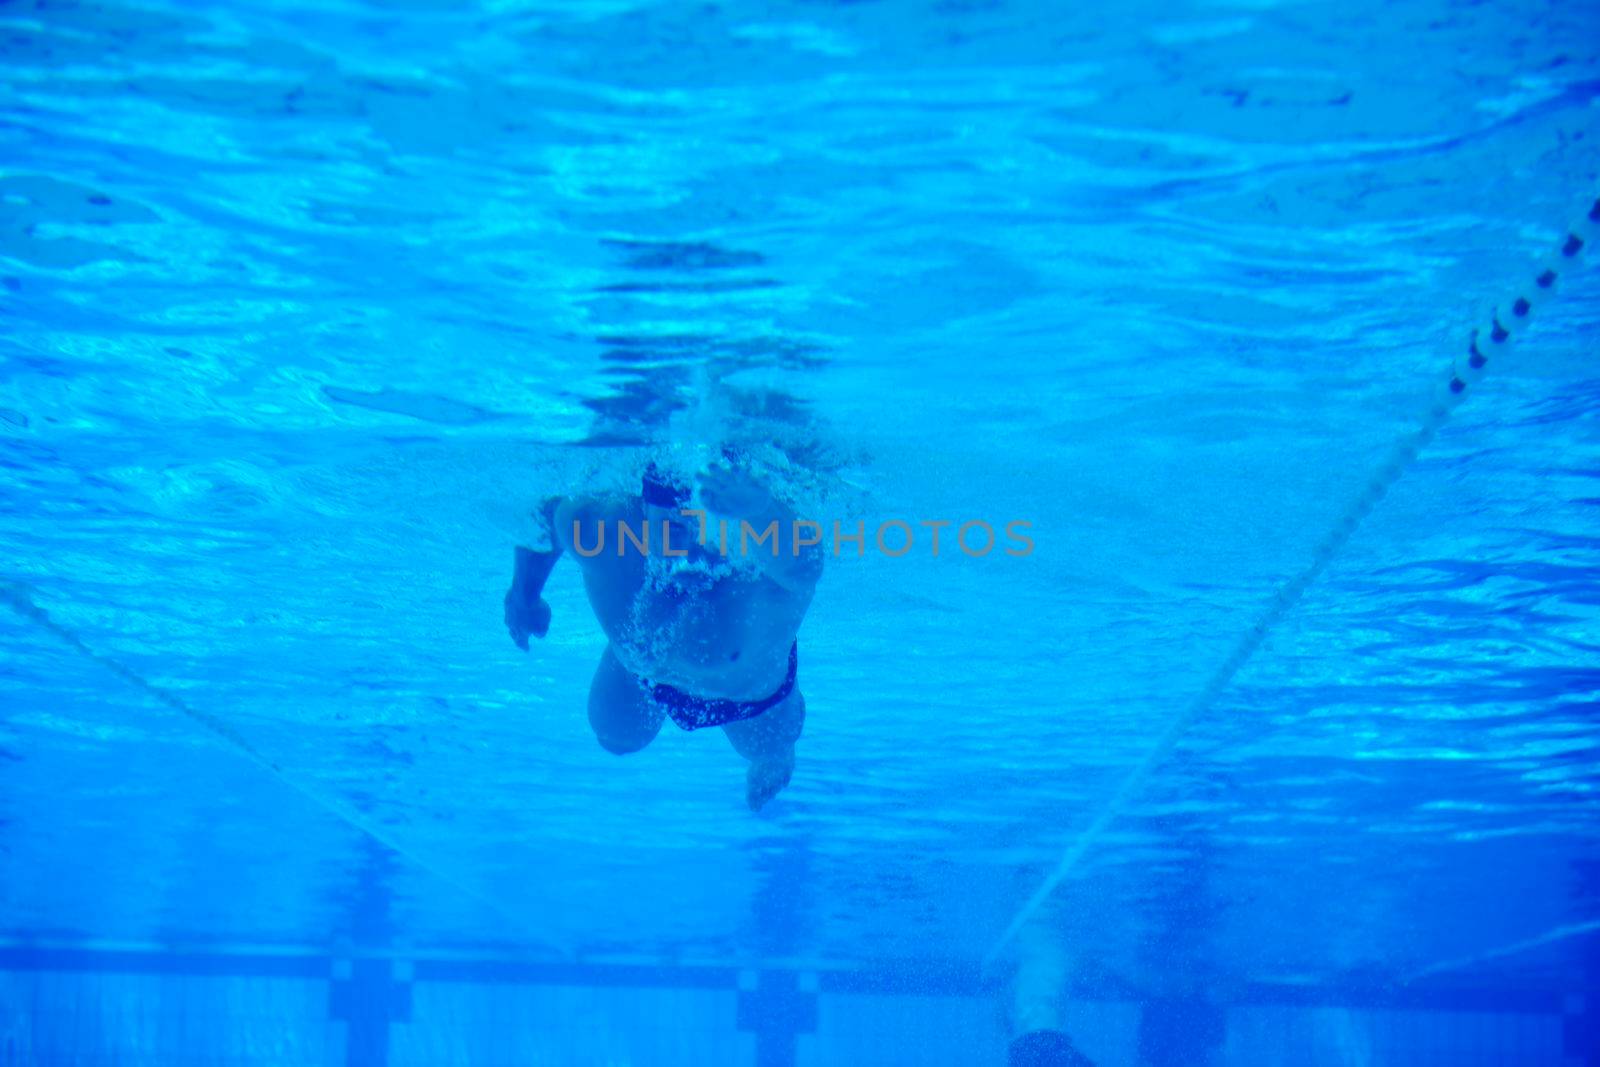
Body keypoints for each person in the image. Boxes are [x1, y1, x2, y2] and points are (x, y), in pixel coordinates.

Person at [504, 460, 823, 810]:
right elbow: (550, 515)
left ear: (725, 525)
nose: (688, 545)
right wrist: (524, 593)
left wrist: (761, 509)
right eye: (671, 526)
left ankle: (774, 761)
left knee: (768, 747)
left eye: (701, 526)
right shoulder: (603, 531)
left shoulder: (752, 574)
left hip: (749, 700)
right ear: (644, 514)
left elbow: (803, 567)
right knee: (615, 735)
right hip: (641, 671)